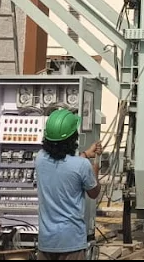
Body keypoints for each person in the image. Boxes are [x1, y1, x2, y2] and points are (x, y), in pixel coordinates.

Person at [34, 108, 103, 260]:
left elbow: (62, 161)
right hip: (71, 242)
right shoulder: (82, 165)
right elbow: (94, 192)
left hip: (46, 241)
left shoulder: (40, 159)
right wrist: (95, 170)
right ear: (73, 139)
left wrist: (85, 154)